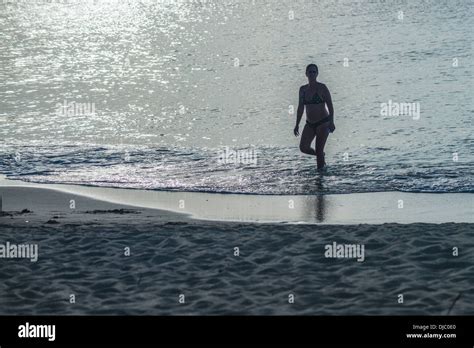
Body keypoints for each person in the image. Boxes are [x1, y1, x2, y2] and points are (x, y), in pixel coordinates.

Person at [294, 64, 335, 170]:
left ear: (317, 74)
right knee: (303, 147)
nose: (312, 74)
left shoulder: (322, 88)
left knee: (319, 149)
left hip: (323, 122)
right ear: (306, 74)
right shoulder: (303, 90)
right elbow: (300, 108)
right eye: (310, 72)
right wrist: (297, 124)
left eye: (314, 72)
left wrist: (332, 122)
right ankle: (321, 156)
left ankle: (320, 178)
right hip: (310, 123)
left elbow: (330, 106)